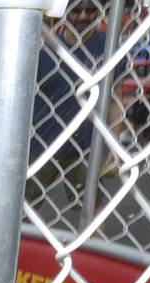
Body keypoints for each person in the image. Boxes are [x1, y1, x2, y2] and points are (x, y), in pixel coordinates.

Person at [27, 0, 124, 205]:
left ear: (98, 12)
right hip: (43, 140)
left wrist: (114, 145)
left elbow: (115, 100)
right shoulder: (44, 47)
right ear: (65, 12)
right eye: (76, 10)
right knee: (24, 206)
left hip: (85, 143)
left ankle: (93, 239)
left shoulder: (109, 47)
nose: (82, 16)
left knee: (93, 205)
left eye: (90, 10)